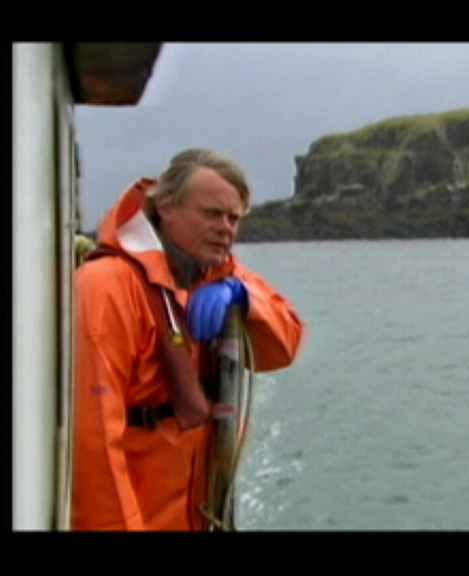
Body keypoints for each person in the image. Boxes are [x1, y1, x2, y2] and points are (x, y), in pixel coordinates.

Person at [71, 149, 305, 530]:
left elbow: (285, 345)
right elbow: (93, 440)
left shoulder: (219, 276)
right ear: (166, 206)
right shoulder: (107, 286)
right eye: (211, 214)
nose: (225, 228)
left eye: (233, 218)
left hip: (199, 512)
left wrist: (246, 300)